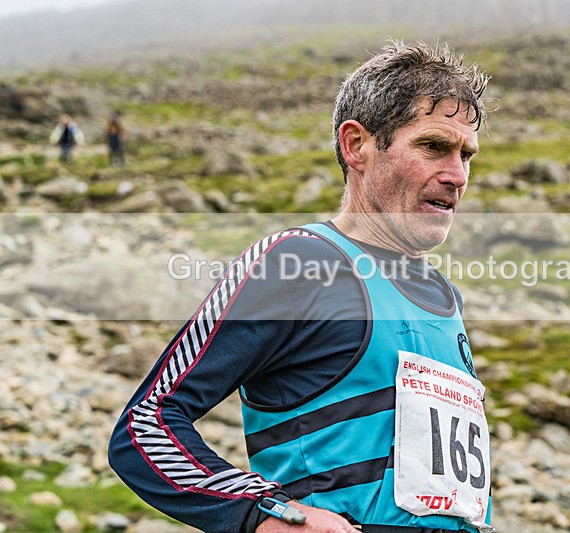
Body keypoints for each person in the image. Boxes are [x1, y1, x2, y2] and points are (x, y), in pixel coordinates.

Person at [108, 40, 492, 533]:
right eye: (434, 146)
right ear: (357, 145)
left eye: (466, 154)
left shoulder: (443, 296)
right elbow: (146, 426)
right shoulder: (297, 264)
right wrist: (272, 514)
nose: (458, 176)